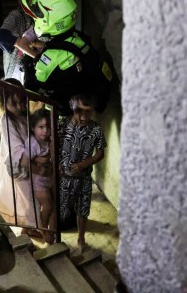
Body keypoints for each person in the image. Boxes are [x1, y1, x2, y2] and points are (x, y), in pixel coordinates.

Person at [17, 0, 113, 115]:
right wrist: (45, 47)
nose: (35, 20)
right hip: (84, 98)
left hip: (67, 115)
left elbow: (31, 89)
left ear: (49, 21)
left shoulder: (52, 58)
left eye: (35, 17)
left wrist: (27, 64)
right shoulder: (79, 37)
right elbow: (64, 49)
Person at [58, 93, 106, 254]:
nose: (84, 116)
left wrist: (82, 165)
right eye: (79, 111)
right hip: (64, 177)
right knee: (61, 207)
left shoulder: (96, 129)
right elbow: (55, 145)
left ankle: (81, 238)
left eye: (88, 111)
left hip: (84, 178)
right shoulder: (63, 125)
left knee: (83, 210)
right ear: (72, 107)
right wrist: (58, 163)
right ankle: (55, 238)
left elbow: (100, 153)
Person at [0, 78, 40, 232]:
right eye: (14, 103)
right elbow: (18, 151)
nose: (19, 107)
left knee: (30, 199)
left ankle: (29, 229)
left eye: (22, 102)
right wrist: (38, 164)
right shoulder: (7, 120)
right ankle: (36, 230)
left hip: (29, 162)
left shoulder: (24, 115)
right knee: (29, 199)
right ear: (3, 103)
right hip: (20, 166)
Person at [24, 108, 55, 244]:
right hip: (37, 181)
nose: (45, 130)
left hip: (48, 179)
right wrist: (39, 161)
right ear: (33, 128)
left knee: (51, 206)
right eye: (41, 127)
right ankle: (43, 230)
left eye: (48, 126)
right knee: (47, 206)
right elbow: (25, 161)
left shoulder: (49, 140)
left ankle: (44, 229)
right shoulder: (32, 143)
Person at [0, 0, 35, 82]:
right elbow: (1, 37)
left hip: (34, 64)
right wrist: (21, 44)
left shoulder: (38, 14)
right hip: (17, 65)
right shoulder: (16, 15)